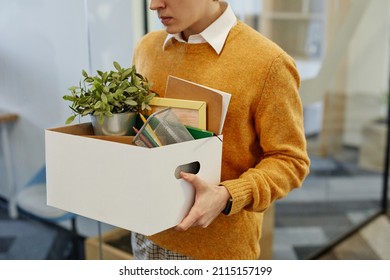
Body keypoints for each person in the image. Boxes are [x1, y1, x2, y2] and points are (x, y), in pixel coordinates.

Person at [131, 0, 310, 260]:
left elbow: (291, 160)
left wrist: (227, 195)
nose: (154, 5)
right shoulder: (146, 48)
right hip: (145, 234)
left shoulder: (268, 63)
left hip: (218, 251)